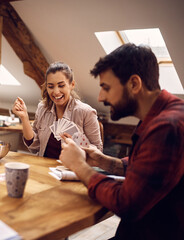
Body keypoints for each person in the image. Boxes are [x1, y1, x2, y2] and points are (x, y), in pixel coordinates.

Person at [59, 43, 184, 239]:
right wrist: (102, 160)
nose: (100, 97)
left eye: (106, 88)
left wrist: (80, 166)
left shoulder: (167, 127)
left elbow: (126, 203)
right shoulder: (168, 112)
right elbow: (146, 168)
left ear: (134, 84)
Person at [12, 62, 102, 159]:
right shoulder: (42, 108)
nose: (56, 92)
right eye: (50, 86)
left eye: (61, 85)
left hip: (73, 170)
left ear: (72, 84)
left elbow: (98, 151)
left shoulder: (86, 112)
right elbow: (34, 146)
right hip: (44, 166)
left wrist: (77, 144)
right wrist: (24, 117)